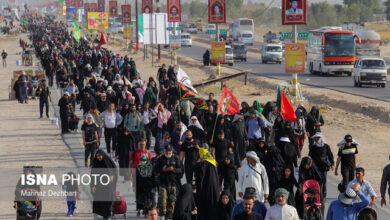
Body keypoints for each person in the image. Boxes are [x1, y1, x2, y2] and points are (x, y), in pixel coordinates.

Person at [157, 144, 182, 220]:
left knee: (172, 202)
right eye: (167, 151)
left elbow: (181, 170)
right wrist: (162, 170)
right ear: (164, 151)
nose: (168, 152)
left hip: (173, 184)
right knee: (162, 200)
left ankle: (170, 217)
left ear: (172, 151)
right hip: (163, 183)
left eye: (169, 151)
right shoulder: (161, 159)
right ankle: (162, 215)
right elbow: (155, 170)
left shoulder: (176, 158)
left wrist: (173, 169)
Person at [91, 149, 118, 220]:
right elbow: (93, 174)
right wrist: (93, 185)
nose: (98, 158)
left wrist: (112, 175)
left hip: (109, 184)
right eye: (97, 156)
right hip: (100, 184)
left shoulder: (108, 160)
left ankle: (108, 213)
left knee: (109, 198)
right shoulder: (95, 162)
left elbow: (114, 169)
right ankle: (105, 215)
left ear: (103, 155)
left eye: (100, 156)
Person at [309, 132, 334, 200]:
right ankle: (315, 195)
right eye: (315, 138)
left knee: (324, 181)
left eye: (318, 137)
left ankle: (324, 196)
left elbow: (330, 155)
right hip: (315, 167)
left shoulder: (326, 146)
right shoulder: (313, 147)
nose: (316, 139)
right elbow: (310, 156)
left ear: (321, 138)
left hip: (324, 166)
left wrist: (332, 164)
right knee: (315, 181)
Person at [197, 148, 220, 220]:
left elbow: (200, 177)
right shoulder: (213, 162)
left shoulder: (204, 163)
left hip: (207, 189)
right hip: (215, 189)